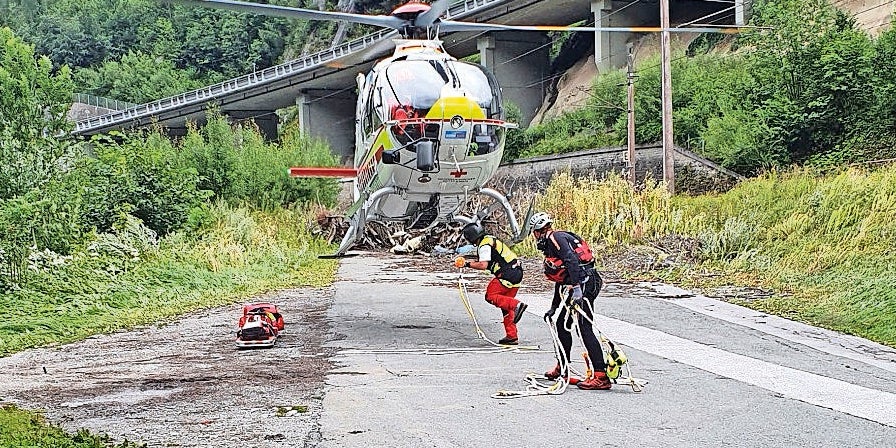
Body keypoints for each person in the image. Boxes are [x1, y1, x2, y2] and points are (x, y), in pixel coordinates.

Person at [529, 212, 611, 390]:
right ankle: (563, 367)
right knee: (561, 323)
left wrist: (577, 289)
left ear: (537, 231)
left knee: (584, 327)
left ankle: (601, 376)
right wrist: (554, 307)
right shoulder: (554, 241)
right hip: (581, 282)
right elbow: (562, 277)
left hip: (586, 282)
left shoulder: (554, 238)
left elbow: (571, 261)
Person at [453, 222, 528, 345]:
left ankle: (517, 305)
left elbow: (483, 265)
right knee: (505, 306)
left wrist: (466, 264)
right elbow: (487, 259)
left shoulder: (484, 245)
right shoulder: (489, 240)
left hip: (507, 274)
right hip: (516, 272)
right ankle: (512, 336)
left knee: (490, 295)